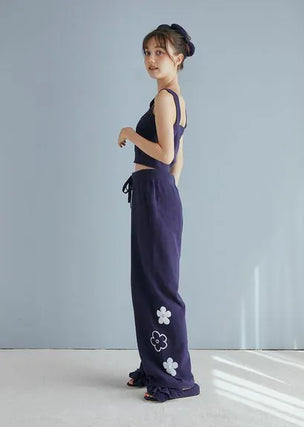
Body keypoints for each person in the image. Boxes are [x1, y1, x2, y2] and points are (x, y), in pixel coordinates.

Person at [118, 23, 200, 403]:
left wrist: (130, 134)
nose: (151, 60)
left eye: (160, 53)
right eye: (147, 53)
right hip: (158, 194)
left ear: (178, 59)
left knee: (157, 286)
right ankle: (155, 365)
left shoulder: (166, 99)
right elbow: (178, 160)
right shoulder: (177, 100)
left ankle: (176, 378)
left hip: (155, 194)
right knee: (150, 282)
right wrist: (165, 191)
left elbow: (166, 155)